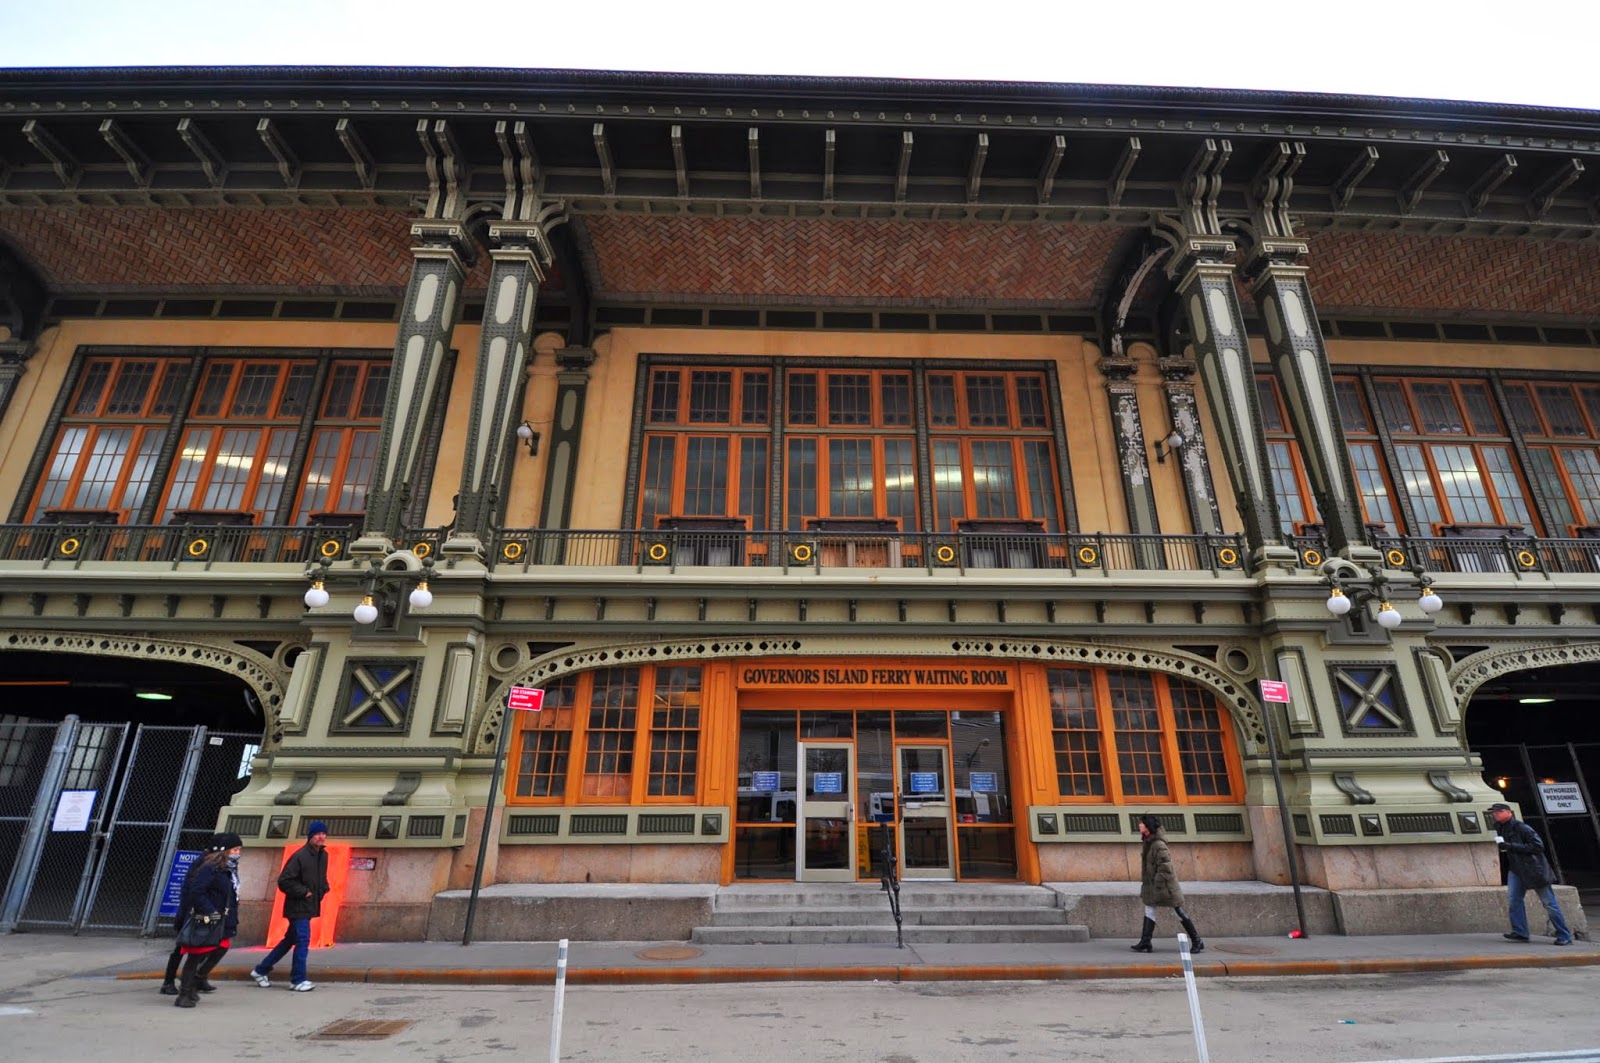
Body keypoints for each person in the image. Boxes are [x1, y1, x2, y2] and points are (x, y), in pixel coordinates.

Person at [250, 819, 330, 992]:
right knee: (303, 939)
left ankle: (261, 970)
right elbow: (284, 881)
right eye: (317, 834)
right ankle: (297, 979)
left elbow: (321, 877)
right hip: (298, 906)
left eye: (323, 833)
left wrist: (324, 888)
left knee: (290, 940)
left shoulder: (323, 856)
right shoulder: (300, 856)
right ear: (310, 836)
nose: (321, 837)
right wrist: (304, 892)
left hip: (309, 905)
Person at [1489, 802, 1573, 946]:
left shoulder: (1523, 828)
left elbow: (1538, 846)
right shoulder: (1500, 827)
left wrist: (1511, 846)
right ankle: (1520, 931)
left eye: (1498, 811)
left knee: (1549, 903)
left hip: (1534, 870)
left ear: (1509, 812)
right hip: (1516, 869)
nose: (1494, 814)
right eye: (1493, 812)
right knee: (1514, 900)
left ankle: (1564, 935)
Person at [173, 832, 242, 1008]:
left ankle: (196, 981)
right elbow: (196, 891)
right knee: (196, 955)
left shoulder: (227, 869)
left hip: (220, 917)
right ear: (224, 851)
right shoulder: (209, 868)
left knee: (220, 947)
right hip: (207, 917)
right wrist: (210, 910)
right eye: (235, 849)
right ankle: (185, 992)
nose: (238, 853)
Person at [1130, 813, 1204, 953]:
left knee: (1177, 911)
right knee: (1149, 908)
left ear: (1148, 827)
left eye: (1142, 823)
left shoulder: (1158, 844)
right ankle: (1146, 942)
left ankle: (1197, 940)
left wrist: (1157, 883)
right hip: (1154, 886)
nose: (1139, 825)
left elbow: (1165, 867)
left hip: (1165, 887)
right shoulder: (1149, 842)